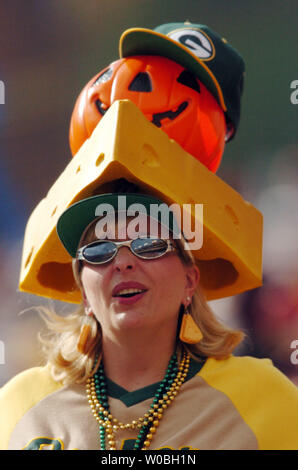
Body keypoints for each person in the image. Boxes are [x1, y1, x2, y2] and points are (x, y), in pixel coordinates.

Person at [0, 184, 298, 451]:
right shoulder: (19, 405)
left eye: (148, 246)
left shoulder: (264, 396)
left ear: (190, 281)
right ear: (83, 293)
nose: (123, 263)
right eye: (99, 251)